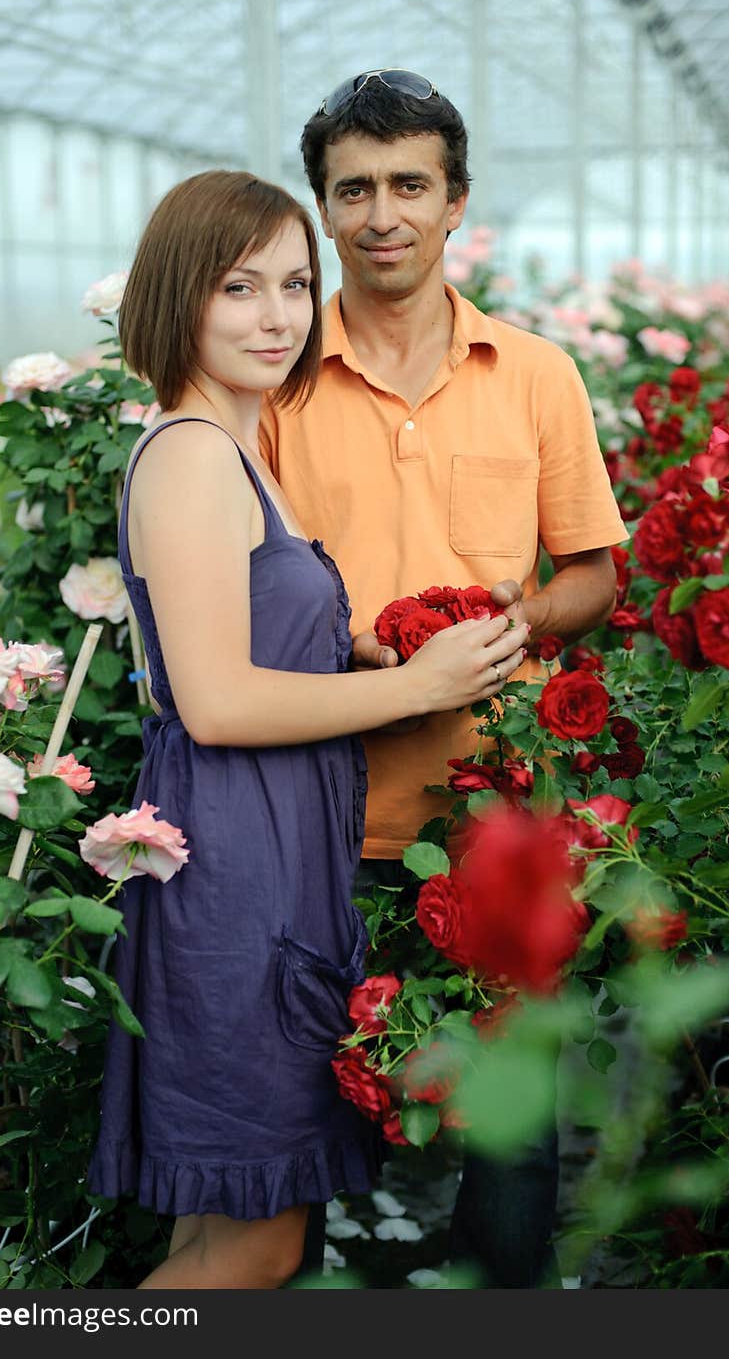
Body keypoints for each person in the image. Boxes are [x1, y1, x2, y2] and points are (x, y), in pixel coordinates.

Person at [86, 168, 530, 1290]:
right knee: (261, 1237)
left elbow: (245, 652)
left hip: (271, 856)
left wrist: (355, 652)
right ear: (176, 297)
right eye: (238, 287)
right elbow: (219, 701)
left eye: (294, 282)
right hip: (236, 867)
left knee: (224, 1222)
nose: (276, 315)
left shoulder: (236, 449)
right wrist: (414, 686)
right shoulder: (190, 453)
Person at [259, 70, 630, 1287]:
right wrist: (363, 652)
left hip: (493, 807)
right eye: (352, 188)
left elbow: (594, 571)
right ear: (321, 206)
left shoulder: (532, 372)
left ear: (455, 200)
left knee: (510, 1123)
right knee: (301, 1112)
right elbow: (233, 593)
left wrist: (509, 625)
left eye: (408, 184)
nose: (381, 214)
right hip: (312, 806)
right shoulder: (271, 383)